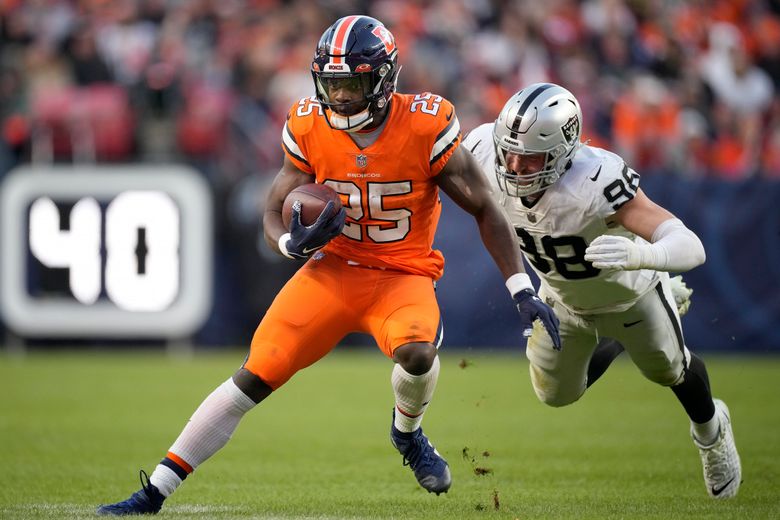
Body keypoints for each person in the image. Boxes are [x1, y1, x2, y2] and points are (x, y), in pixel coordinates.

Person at [96, 16, 560, 515]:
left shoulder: (426, 124)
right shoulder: (308, 124)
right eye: (331, 84)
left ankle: (407, 434)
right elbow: (273, 212)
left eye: (352, 84)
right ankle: (154, 493)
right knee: (254, 375)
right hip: (332, 274)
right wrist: (289, 245)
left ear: (384, 80)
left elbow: (486, 206)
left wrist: (520, 287)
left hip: (401, 275)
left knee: (418, 354)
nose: (339, 98)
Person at [462, 82, 741, 499]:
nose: (516, 164)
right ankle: (614, 338)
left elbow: (691, 245)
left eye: (530, 155)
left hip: (630, 294)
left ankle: (711, 431)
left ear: (561, 153)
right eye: (510, 151)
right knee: (554, 396)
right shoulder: (483, 148)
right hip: (561, 298)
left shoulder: (595, 180)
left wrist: (644, 257)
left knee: (668, 369)